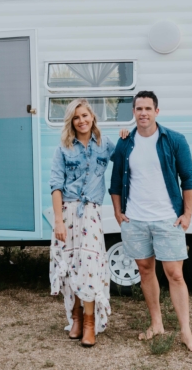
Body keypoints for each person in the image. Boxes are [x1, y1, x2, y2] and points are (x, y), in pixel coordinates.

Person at [109, 90, 192, 352]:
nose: (143, 113)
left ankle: (186, 332)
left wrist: (187, 213)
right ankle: (157, 323)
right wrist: (118, 213)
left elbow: (189, 179)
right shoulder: (125, 143)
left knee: (174, 274)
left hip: (167, 219)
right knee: (145, 271)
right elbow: (115, 182)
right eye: (139, 109)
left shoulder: (174, 140)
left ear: (157, 111)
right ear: (134, 112)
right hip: (136, 219)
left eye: (148, 108)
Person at [49, 99, 129, 347]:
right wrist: (59, 222)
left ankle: (90, 323)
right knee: (70, 267)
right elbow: (55, 186)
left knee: (90, 269)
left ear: (92, 117)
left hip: (91, 215)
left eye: (85, 115)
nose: (82, 121)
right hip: (68, 213)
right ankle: (74, 319)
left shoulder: (105, 145)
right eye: (76, 117)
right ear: (71, 122)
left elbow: (125, 161)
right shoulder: (63, 148)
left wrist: (127, 138)